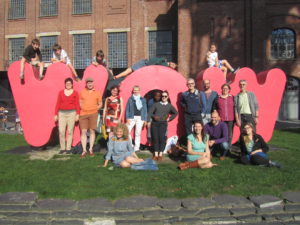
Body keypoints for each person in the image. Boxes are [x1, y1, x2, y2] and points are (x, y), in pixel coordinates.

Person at [147, 90, 178, 161]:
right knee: (155, 138)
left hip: (163, 124)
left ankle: (160, 154)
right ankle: (156, 154)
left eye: (165, 96)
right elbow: (150, 112)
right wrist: (153, 117)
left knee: (161, 138)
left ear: (167, 97)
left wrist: (169, 119)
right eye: (162, 96)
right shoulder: (156, 104)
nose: (163, 97)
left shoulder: (169, 106)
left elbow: (175, 113)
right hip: (154, 123)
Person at [54, 78, 80, 154]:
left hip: (72, 113)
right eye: (67, 83)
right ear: (65, 84)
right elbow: (58, 103)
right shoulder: (61, 92)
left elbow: (77, 104)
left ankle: (68, 148)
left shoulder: (75, 93)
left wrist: (77, 114)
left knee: (70, 131)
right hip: (61, 114)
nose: (68, 85)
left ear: (72, 84)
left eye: (69, 83)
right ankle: (62, 148)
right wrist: (56, 114)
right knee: (61, 131)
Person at [79, 77, 102, 158]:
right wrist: (83, 108)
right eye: (88, 83)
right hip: (83, 114)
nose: (90, 84)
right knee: (84, 131)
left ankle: (91, 149)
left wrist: (95, 109)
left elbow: (100, 103)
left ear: (93, 83)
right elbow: (80, 102)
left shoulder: (97, 92)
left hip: (93, 114)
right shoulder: (82, 92)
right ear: (86, 84)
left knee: (92, 131)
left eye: (91, 82)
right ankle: (84, 150)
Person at [126, 85, 148, 152]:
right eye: (134, 90)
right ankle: (130, 146)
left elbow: (145, 110)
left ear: (139, 91)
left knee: (138, 133)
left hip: (140, 118)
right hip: (131, 117)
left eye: (137, 90)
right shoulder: (130, 99)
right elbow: (127, 109)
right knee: (126, 131)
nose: (135, 91)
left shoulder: (143, 99)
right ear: (133, 91)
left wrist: (145, 119)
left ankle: (136, 148)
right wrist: (127, 118)